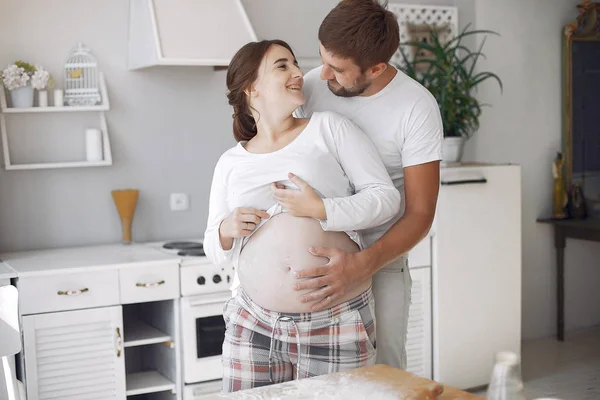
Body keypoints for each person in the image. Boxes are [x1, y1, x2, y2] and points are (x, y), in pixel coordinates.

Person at [203, 39, 401, 392]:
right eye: (283, 66)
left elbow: (386, 200)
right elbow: (212, 247)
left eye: (295, 64)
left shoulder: (328, 129)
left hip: (334, 317)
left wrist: (322, 209)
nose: (298, 74)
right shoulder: (231, 163)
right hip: (253, 323)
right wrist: (226, 228)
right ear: (251, 87)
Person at [289, 0, 443, 370]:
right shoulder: (311, 86)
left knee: (385, 373)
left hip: (381, 259)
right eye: (322, 58)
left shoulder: (416, 108)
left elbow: (420, 213)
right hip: (316, 257)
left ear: (376, 67)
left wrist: (360, 266)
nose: (323, 74)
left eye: (338, 69)